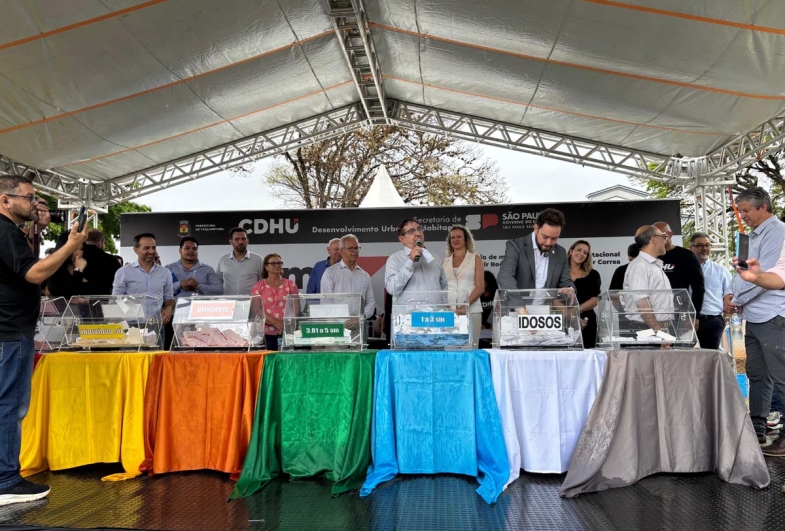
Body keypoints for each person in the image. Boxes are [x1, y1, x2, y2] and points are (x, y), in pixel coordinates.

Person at [0, 174, 88, 505]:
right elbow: (34, 273)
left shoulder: (12, 232)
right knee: (10, 404)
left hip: (12, 328)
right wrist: (69, 244)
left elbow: (25, 266)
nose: (35, 203)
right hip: (9, 330)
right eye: (29, 198)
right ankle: (6, 481)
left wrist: (37, 231)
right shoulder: (4, 230)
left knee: (9, 403)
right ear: (5, 200)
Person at [725, 187, 785, 451]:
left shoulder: (778, 232)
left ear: (764, 207)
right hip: (753, 316)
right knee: (757, 375)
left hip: (774, 315)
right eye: (740, 211)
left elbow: (767, 278)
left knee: (781, 377)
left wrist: (737, 300)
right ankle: (757, 429)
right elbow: (740, 272)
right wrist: (729, 293)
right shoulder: (749, 236)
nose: (743, 216)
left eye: (747, 210)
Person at [497, 208, 573, 291]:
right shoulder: (515, 246)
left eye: (554, 238)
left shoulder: (561, 252)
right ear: (536, 228)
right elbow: (505, 276)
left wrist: (569, 289)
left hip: (547, 304)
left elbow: (566, 282)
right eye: (545, 237)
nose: (548, 243)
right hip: (519, 302)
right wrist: (518, 303)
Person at [112, 233, 175, 328]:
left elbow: (169, 297)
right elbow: (116, 299)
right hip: (131, 325)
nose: (151, 251)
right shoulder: (123, 272)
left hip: (156, 325)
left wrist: (169, 308)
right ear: (136, 249)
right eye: (146, 248)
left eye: (153, 247)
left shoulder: (165, 273)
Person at [653, 221, 705, 324]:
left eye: (663, 235)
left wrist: (695, 315)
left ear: (670, 234)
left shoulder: (686, 256)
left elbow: (698, 287)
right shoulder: (651, 257)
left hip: (681, 313)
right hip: (655, 313)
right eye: (655, 236)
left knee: (681, 340)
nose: (659, 239)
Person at [623, 225, 673, 331]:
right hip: (646, 330)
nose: (665, 241)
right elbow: (641, 302)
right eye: (663, 237)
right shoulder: (640, 266)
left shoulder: (653, 265)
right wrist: (657, 331)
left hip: (656, 328)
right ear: (654, 239)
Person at [442, 225, 484, 348]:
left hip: (472, 311)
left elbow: (480, 287)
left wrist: (464, 305)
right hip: (450, 313)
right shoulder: (445, 262)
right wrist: (448, 306)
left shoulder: (475, 259)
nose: (455, 239)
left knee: (469, 350)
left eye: (459, 236)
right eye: (452, 237)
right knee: (450, 352)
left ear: (466, 239)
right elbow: (442, 288)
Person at [385, 218, 447, 299]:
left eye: (419, 229)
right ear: (402, 239)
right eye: (411, 231)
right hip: (409, 312)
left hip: (435, 311)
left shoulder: (435, 258)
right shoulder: (394, 259)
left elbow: (445, 286)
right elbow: (392, 289)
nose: (418, 233)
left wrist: (442, 307)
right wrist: (410, 261)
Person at [689, 232, 731, 349]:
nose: (705, 249)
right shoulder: (684, 269)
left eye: (708, 245)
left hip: (712, 322)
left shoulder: (721, 270)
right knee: (687, 358)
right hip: (688, 322)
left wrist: (725, 320)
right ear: (691, 248)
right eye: (700, 245)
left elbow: (730, 295)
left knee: (711, 359)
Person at [321, 234, 376, 319]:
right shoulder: (330, 273)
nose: (355, 251)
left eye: (356, 248)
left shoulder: (365, 275)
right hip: (337, 325)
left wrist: (359, 318)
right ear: (341, 250)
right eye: (351, 248)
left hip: (359, 325)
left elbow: (370, 303)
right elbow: (326, 302)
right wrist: (343, 320)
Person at [251, 253, 299, 350]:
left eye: (279, 263)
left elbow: (296, 309)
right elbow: (257, 309)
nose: (277, 266)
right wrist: (276, 323)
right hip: (265, 332)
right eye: (273, 263)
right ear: (266, 267)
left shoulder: (290, 284)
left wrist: (285, 325)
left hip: (286, 330)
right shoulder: (259, 286)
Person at [568, 240, 602, 348]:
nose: (581, 254)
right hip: (564, 320)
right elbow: (553, 297)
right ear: (570, 251)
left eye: (585, 252)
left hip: (587, 322)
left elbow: (595, 299)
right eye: (579, 250)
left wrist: (577, 310)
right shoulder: (560, 273)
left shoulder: (593, 274)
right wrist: (571, 316)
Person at [216, 228, 264, 295]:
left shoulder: (258, 260)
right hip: (229, 302)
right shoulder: (223, 260)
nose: (240, 242)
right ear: (231, 242)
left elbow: (263, 284)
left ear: (247, 241)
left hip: (251, 303)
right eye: (237, 239)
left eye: (243, 239)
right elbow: (218, 284)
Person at [80, 229, 120, 294]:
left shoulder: (74, 258)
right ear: (100, 242)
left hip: (75, 300)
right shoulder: (111, 260)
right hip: (104, 300)